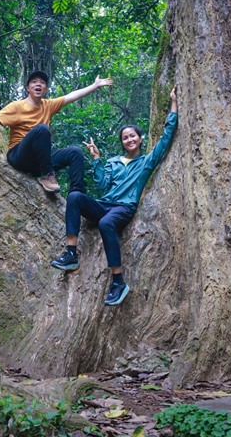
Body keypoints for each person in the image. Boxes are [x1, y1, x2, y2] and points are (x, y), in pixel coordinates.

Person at [50, 87, 178, 306]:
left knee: (106, 222)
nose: (129, 140)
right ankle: (71, 253)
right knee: (75, 197)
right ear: (122, 142)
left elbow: (166, 138)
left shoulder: (146, 162)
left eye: (132, 136)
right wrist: (97, 159)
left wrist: (174, 104)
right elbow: (101, 184)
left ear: (139, 138)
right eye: (125, 138)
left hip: (124, 207)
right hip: (104, 204)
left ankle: (118, 281)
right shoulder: (113, 162)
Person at [0, 71, 113, 193]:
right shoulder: (17, 106)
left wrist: (95, 86)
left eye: (42, 82)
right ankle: (47, 176)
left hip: (39, 160)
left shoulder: (49, 105)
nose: (39, 84)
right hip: (18, 156)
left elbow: (72, 96)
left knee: (75, 152)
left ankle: (77, 196)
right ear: (28, 87)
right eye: (34, 82)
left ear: (45, 89)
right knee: (42, 129)